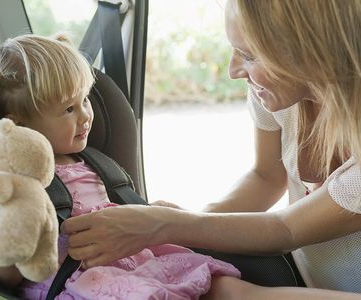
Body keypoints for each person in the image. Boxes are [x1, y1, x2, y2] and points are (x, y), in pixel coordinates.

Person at [59, 0, 361, 299]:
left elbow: (286, 230)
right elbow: (266, 176)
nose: (233, 70)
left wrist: (167, 226)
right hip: (308, 280)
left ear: (313, 52)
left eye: (249, 55)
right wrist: (192, 228)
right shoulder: (280, 93)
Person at [0, 33, 242, 299]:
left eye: (84, 99)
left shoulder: (97, 164)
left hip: (133, 259)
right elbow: (5, 277)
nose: (85, 115)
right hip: (78, 281)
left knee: (216, 280)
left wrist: (150, 213)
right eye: (68, 109)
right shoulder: (14, 185)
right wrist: (19, 231)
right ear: (20, 123)